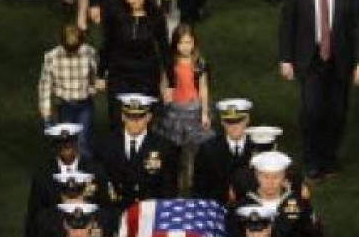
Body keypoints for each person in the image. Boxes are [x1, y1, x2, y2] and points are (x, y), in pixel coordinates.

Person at [278, 0, 359, 180]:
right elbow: (288, 24)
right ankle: (311, 161)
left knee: (337, 112)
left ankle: (329, 160)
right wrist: (286, 58)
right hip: (310, 59)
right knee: (311, 110)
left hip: (341, 60)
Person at [96, 0, 170, 127]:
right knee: (118, 120)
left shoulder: (156, 17)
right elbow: (107, 45)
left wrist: (171, 84)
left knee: (147, 119)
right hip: (120, 75)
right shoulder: (116, 15)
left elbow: (164, 49)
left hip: (146, 75)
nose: (130, 0)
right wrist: (100, 74)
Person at [97, 94, 178, 207]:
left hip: (150, 212)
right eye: (130, 116)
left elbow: (169, 190)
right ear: (122, 116)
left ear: (148, 117)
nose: (135, 121)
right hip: (117, 210)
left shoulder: (164, 147)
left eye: (140, 117)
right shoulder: (107, 145)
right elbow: (103, 186)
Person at [158, 24, 210, 191]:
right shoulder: (171, 62)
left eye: (188, 42)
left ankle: (192, 181)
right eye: (181, 43)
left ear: (194, 43)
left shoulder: (199, 63)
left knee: (193, 150)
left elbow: (203, 88)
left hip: (193, 109)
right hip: (175, 110)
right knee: (174, 149)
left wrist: (204, 113)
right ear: (175, 44)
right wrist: (165, 97)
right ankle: (177, 182)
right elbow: (164, 84)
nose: (185, 47)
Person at [38, 23, 98, 158]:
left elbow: (96, 75)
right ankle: (67, 173)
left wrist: (94, 86)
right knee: (67, 142)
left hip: (85, 104)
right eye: (68, 48)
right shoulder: (52, 57)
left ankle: (85, 172)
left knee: (83, 141)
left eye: (75, 48)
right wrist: (46, 113)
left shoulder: (89, 52)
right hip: (65, 105)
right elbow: (45, 85)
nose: (72, 52)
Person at [192, 98, 252, 203]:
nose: (234, 127)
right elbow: (199, 188)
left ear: (247, 120)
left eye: (238, 121)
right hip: (217, 208)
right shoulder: (207, 149)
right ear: (222, 122)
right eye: (229, 122)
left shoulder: (258, 147)